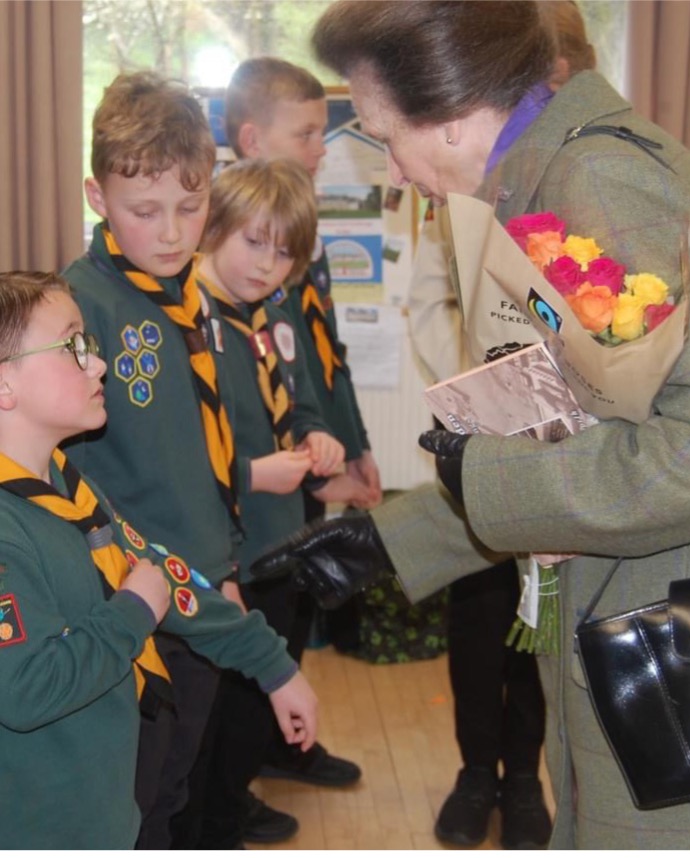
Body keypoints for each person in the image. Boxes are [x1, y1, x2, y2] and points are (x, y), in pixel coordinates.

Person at [254, 1, 690, 850]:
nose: (391, 171)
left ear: (454, 119)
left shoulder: (594, 181)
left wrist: (489, 481)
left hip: (688, 659)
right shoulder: (550, 180)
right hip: (640, 638)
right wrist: (388, 541)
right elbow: (588, 438)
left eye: (385, 136)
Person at [62, 70, 314, 850]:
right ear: (96, 197)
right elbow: (87, 492)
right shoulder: (80, 310)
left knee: (175, 793)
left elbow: (200, 459)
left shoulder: (193, 300)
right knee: (133, 806)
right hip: (129, 604)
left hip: (203, 590)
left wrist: (226, 566)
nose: (172, 233)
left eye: (191, 206)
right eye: (145, 211)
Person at [0, 271, 317, 849]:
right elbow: (23, 690)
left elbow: (170, 581)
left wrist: (273, 665)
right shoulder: (9, 532)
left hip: (103, 812)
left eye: (89, 344)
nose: (96, 363)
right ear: (4, 386)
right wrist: (130, 614)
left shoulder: (74, 492)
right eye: (73, 346)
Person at [406, 2, 594, 848]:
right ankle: (475, 768)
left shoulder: (592, 179)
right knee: (481, 618)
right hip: (484, 433)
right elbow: (428, 300)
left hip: (570, 452)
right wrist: (480, 389)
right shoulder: (463, 188)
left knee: (544, 622)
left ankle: (526, 777)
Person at [182, 157, 349, 847]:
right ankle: (207, 823)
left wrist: (317, 434)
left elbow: (300, 392)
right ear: (214, 225)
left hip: (279, 539)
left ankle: (231, 807)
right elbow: (177, 452)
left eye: (284, 254)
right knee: (213, 709)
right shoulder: (187, 318)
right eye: (254, 242)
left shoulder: (271, 310)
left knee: (258, 703)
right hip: (220, 546)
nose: (268, 266)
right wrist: (252, 473)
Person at [224, 56, 378, 790]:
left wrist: (354, 444)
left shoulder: (294, 229)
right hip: (252, 476)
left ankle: (282, 744)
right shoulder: (237, 247)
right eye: (307, 132)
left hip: (305, 445)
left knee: (291, 605)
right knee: (258, 612)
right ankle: (244, 765)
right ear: (252, 139)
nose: (322, 146)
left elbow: (321, 356)